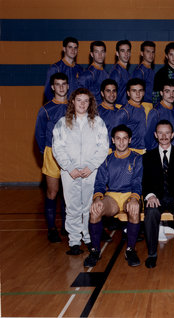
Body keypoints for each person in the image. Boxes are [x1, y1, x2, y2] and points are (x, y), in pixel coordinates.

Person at [52, 88, 109, 255]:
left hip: (91, 171)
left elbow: (103, 147)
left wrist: (91, 166)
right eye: (79, 100)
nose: (82, 104)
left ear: (90, 103)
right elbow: (58, 148)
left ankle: (89, 237)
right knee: (73, 207)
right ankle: (74, 240)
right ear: (72, 102)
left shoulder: (97, 122)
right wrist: (69, 167)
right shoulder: (63, 123)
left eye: (86, 101)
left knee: (89, 206)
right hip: (69, 172)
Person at [84, 124, 143, 267]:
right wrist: (97, 198)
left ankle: (130, 249)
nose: (121, 142)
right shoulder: (106, 159)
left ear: (130, 140)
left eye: (124, 138)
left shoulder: (137, 158)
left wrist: (135, 198)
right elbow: (99, 183)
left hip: (130, 195)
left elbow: (137, 182)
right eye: (118, 138)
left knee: (134, 209)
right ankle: (95, 250)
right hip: (113, 197)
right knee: (95, 209)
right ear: (113, 140)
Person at [142, 120, 174, 269]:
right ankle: (152, 254)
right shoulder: (147, 157)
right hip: (157, 198)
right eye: (160, 133)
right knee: (150, 212)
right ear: (155, 135)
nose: (164, 136)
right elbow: (144, 181)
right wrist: (150, 196)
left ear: (172, 134)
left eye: (167, 132)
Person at [35, 72, 69, 242]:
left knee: (67, 193)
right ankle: (51, 228)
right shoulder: (46, 109)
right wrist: (46, 153)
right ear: (53, 87)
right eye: (58, 84)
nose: (61, 87)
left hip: (70, 153)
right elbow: (39, 134)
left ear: (68, 86)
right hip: (52, 153)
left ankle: (66, 226)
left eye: (64, 84)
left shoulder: (74, 106)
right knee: (53, 191)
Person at [145, 79, 174, 150]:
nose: (171, 95)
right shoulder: (156, 112)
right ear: (161, 93)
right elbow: (149, 138)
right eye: (167, 91)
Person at [44, 37, 82, 101]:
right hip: (60, 107)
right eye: (70, 47)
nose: (73, 50)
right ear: (64, 49)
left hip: (75, 107)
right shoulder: (56, 68)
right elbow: (48, 92)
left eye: (75, 48)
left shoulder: (79, 69)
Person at [116, 78, 147, 154]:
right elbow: (115, 135)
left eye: (140, 90)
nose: (137, 94)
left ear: (143, 93)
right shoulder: (124, 111)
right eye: (134, 91)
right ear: (128, 93)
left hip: (143, 150)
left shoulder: (142, 108)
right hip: (130, 151)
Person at [153, 42, 174, 113]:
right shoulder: (161, 73)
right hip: (166, 108)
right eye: (171, 54)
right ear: (167, 56)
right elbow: (156, 95)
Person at [109, 40, 132, 106]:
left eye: (128, 51)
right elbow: (111, 95)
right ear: (117, 53)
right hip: (118, 108)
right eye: (122, 51)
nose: (126, 54)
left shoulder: (125, 71)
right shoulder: (116, 72)